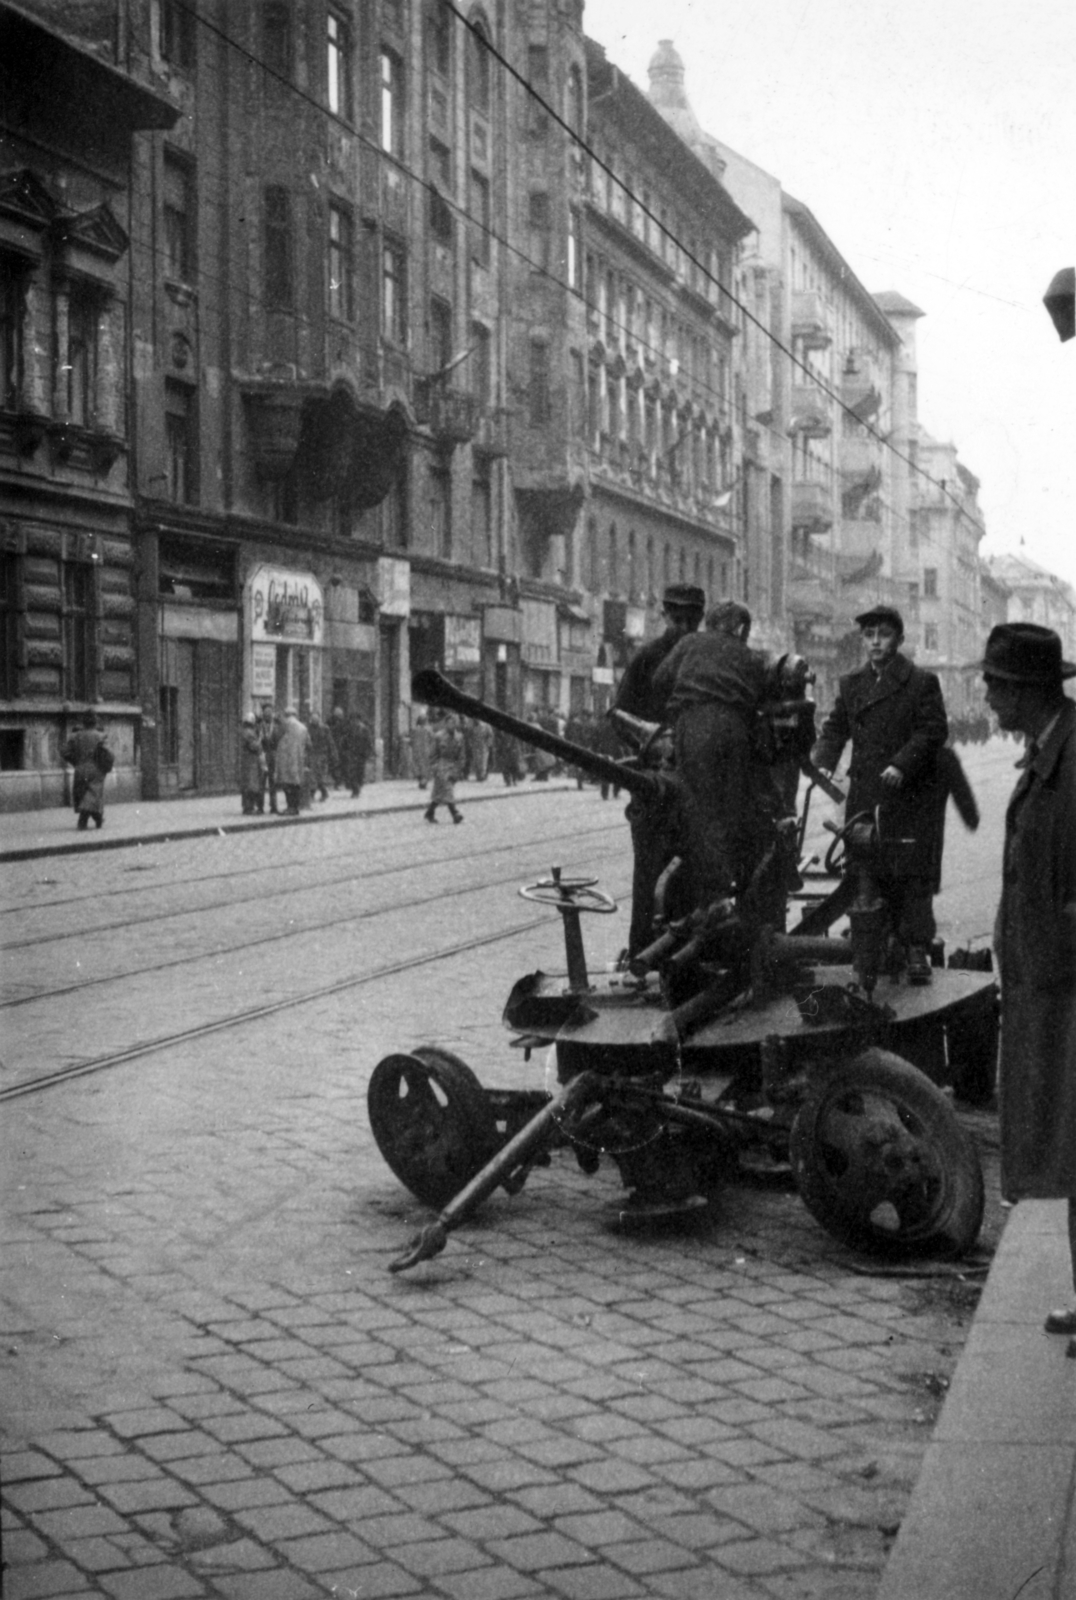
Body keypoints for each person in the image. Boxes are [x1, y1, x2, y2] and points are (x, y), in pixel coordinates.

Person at [979, 624, 1076, 1334]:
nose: (986, 698)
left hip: (1068, 983)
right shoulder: (1049, 749)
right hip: (1048, 982)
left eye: (994, 685)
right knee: (1067, 1149)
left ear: (1024, 690)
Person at [811, 604, 948, 983]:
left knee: (908, 871)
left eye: (883, 635)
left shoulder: (920, 682)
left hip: (906, 793)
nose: (875, 642)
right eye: (869, 635)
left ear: (899, 640)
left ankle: (915, 947)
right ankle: (871, 936)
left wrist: (903, 764)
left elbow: (933, 730)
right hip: (866, 793)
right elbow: (835, 728)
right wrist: (824, 760)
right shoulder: (851, 683)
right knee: (864, 865)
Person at [652, 601, 769, 912]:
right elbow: (764, 696)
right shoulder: (751, 656)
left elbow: (660, 680)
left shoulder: (690, 643)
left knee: (696, 805)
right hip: (734, 729)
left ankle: (705, 893)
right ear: (741, 628)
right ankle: (725, 888)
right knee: (730, 808)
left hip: (693, 727)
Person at [62, 710, 109, 830]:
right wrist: (105, 767)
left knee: (83, 795)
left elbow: (64, 751)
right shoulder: (101, 736)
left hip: (80, 768)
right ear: (95, 722)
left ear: (83, 722)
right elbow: (108, 754)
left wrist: (75, 761)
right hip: (96, 769)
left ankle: (96, 818)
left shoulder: (75, 736)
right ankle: (89, 819)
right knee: (93, 795)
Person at [426, 713, 464, 823]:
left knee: (439, 793)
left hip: (453, 766)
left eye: (454, 722)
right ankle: (455, 813)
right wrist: (435, 767)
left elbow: (461, 755)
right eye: (450, 722)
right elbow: (433, 754)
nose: (452, 725)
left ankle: (430, 812)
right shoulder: (438, 736)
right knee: (448, 789)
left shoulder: (459, 737)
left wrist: (459, 769)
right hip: (442, 765)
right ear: (446, 723)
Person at [274, 707, 309, 816]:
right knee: (296, 784)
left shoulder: (285, 724)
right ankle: (295, 807)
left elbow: (275, 737)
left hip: (286, 758)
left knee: (287, 784)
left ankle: (290, 807)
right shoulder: (303, 727)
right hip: (298, 758)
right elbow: (309, 743)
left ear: (286, 714)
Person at [334, 706, 371, 798]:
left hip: (361, 754)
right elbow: (344, 740)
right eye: (352, 719)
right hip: (352, 754)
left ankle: (357, 788)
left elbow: (368, 741)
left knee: (359, 772)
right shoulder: (350, 729)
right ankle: (355, 789)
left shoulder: (364, 729)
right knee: (351, 772)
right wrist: (344, 750)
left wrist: (367, 753)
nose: (354, 721)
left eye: (355, 719)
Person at [239, 713, 266, 814]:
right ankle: (249, 807)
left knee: (248, 784)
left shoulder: (244, 731)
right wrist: (260, 740)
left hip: (247, 760)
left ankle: (247, 806)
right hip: (251, 760)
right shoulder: (249, 733)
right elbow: (255, 746)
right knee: (251, 784)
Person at [306, 710, 336, 802]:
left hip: (322, 754)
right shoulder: (308, 728)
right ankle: (319, 793)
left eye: (316, 718)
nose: (314, 720)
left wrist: (333, 754)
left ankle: (320, 793)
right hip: (312, 754)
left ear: (319, 718)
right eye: (313, 718)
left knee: (318, 776)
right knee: (313, 776)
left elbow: (330, 742)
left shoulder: (324, 728)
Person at [259, 703, 283, 814]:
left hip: (273, 754)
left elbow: (280, 737)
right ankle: (260, 807)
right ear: (263, 714)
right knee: (261, 782)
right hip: (263, 755)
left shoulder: (276, 726)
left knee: (273, 782)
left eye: (270, 712)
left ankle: (273, 806)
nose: (268, 715)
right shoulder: (259, 726)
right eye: (266, 712)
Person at [411, 712, 432, 790]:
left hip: (417, 751)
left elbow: (412, 740)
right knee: (425, 767)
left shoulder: (415, 730)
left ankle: (421, 780)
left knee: (418, 766)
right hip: (426, 750)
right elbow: (432, 738)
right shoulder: (428, 730)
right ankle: (423, 780)